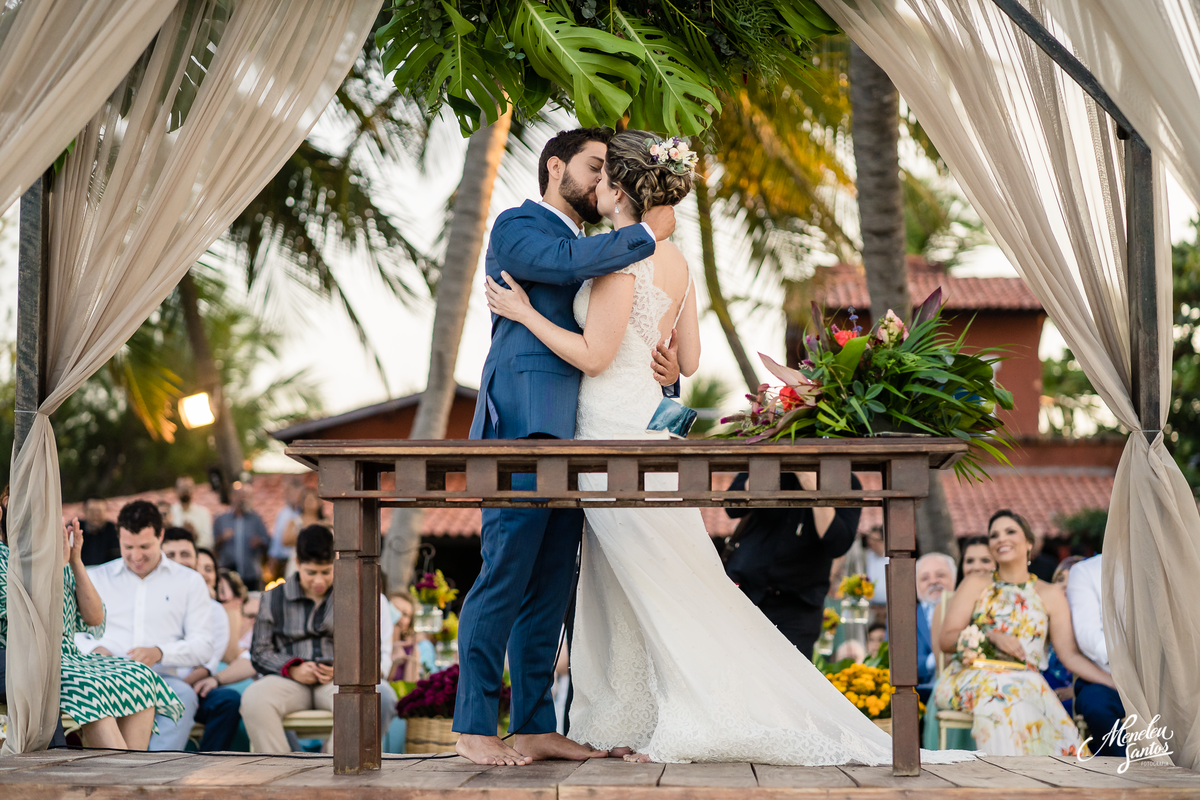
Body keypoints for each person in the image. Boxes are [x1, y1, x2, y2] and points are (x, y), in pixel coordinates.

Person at [484, 130, 975, 768]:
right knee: (664, 576)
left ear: (621, 191)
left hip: (611, 433)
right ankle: (631, 716)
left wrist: (524, 315)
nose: (598, 185)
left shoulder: (618, 262)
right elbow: (686, 359)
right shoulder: (679, 260)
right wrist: (657, 361)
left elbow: (594, 355)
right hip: (653, 429)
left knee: (646, 578)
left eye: (607, 177)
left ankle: (674, 714)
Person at [453, 126, 681, 768]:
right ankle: (473, 723)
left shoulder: (592, 247)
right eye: (594, 165)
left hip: (579, 431)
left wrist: (662, 368)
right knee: (503, 575)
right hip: (523, 425)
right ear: (556, 167)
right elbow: (562, 267)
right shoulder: (518, 226)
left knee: (551, 583)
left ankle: (532, 726)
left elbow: (613, 332)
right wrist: (646, 235)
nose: (602, 178)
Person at [2, 493, 175, 749]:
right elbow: (33, 620)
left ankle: (130, 775)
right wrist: (59, 568)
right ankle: (118, 779)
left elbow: (94, 619)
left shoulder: (53, 556)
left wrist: (75, 560)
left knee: (140, 676)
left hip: (71, 656)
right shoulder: (7, 559)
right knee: (93, 690)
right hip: (33, 659)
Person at [935, 510, 1115, 755]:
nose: (1001, 539)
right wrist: (990, 635)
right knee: (1005, 695)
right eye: (994, 535)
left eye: (1010, 532)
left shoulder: (1050, 595)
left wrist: (1112, 683)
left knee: (1027, 695)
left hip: (1026, 681)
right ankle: (1005, 778)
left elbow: (1070, 655)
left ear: (1029, 542)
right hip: (970, 676)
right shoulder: (976, 583)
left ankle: (1052, 783)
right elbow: (946, 640)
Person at [241, 525, 395, 753]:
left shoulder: (354, 595)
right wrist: (292, 669)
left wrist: (343, 671)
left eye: (326, 571)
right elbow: (259, 652)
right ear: (297, 563)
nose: (319, 580)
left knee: (381, 697)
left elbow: (371, 650)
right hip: (288, 680)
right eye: (311, 573)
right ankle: (279, 773)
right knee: (253, 699)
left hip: (340, 682)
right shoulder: (272, 598)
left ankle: (338, 772)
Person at [83, 500, 214, 751]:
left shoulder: (189, 581)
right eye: (128, 546)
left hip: (162, 679)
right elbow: (73, 634)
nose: (136, 556)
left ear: (161, 535)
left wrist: (160, 652)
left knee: (184, 697)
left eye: (145, 546)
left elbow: (204, 646)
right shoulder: (97, 577)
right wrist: (95, 649)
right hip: (107, 679)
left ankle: (151, 777)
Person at [722, 473, 862, 660]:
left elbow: (837, 543)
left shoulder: (844, 478)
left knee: (788, 678)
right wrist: (766, 467)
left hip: (798, 605)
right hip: (745, 593)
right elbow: (731, 507)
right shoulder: (768, 464)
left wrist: (814, 490)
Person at [159, 527, 242, 752]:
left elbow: (205, 667)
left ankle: (205, 762)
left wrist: (171, 692)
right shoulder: (150, 599)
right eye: (171, 555)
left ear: (195, 560)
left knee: (228, 701)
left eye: (185, 554)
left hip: (190, 689)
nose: (178, 561)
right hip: (147, 685)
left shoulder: (214, 611)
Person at [1065, 554, 1126, 756]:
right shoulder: (1086, 571)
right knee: (1097, 706)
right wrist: (1135, 662)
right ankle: (1124, 771)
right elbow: (1089, 637)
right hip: (1107, 677)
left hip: (1166, 678)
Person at [915, 552, 956, 702]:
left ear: (954, 578)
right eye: (925, 578)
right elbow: (894, 663)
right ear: (916, 585)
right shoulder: (905, 618)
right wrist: (935, 660)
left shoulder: (967, 612)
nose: (933, 581)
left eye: (940, 575)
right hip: (920, 697)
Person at [213, 488, 270, 590]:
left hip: (251, 572)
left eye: (244, 496)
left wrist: (259, 542)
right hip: (228, 572)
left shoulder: (256, 519)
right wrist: (222, 538)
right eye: (239, 495)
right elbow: (213, 546)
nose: (241, 499)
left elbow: (267, 542)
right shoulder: (221, 519)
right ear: (232, 497)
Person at [279, 489, 325, 578]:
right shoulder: (295, 521)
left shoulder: (325, 522)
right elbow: (285, 540)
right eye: (306, 500)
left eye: (312, 500)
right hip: (298, 561)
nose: (309, 503)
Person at [268, 477, 303, 579]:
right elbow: (277, 537)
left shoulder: (303, 514)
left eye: (294, 492)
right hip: (282, 560)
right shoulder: (283, 512)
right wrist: (272, 559)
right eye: (289, 492)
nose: (292, 496)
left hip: (297, 559)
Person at [171, 476, 214, 550]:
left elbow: (208, 542)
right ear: (176, 490)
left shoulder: (203, 513)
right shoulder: (170, 511)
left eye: (188, 487)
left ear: (194, 489)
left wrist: (194, 536)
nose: (185, 490)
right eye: (182, 487)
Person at [80, 498, 121, 566]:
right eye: (92, 511)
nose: (96, 515)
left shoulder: (115, 531)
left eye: (99, 511)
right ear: (84, 511)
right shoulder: (74, 530)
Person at [861, 526, 889, 609]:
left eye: (875, 540)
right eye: (870, 541)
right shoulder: (868, 557)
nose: (872, 543)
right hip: (872, 606)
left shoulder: (891, 559)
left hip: (890, 606)